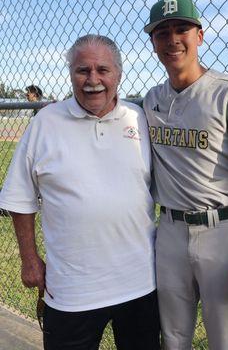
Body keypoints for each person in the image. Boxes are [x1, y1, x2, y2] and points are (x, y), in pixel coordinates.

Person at [0, 35, 160, 350]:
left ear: (119, 74)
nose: (93, 80)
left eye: (103, 70)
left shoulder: (139, 119)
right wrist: (29, 259)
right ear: (71, 74)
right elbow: (19, 198)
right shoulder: (45, 122)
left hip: (140, 283)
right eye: (82, 70)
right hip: (72, 290)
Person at [142, 0, 228, 350]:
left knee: (227, 343)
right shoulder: (149, 101)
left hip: (224, 229)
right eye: (162, 33)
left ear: (200, 36)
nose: (173, 39)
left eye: (182, 29)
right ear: (153, 43)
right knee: (172, 339)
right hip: (170, 232)